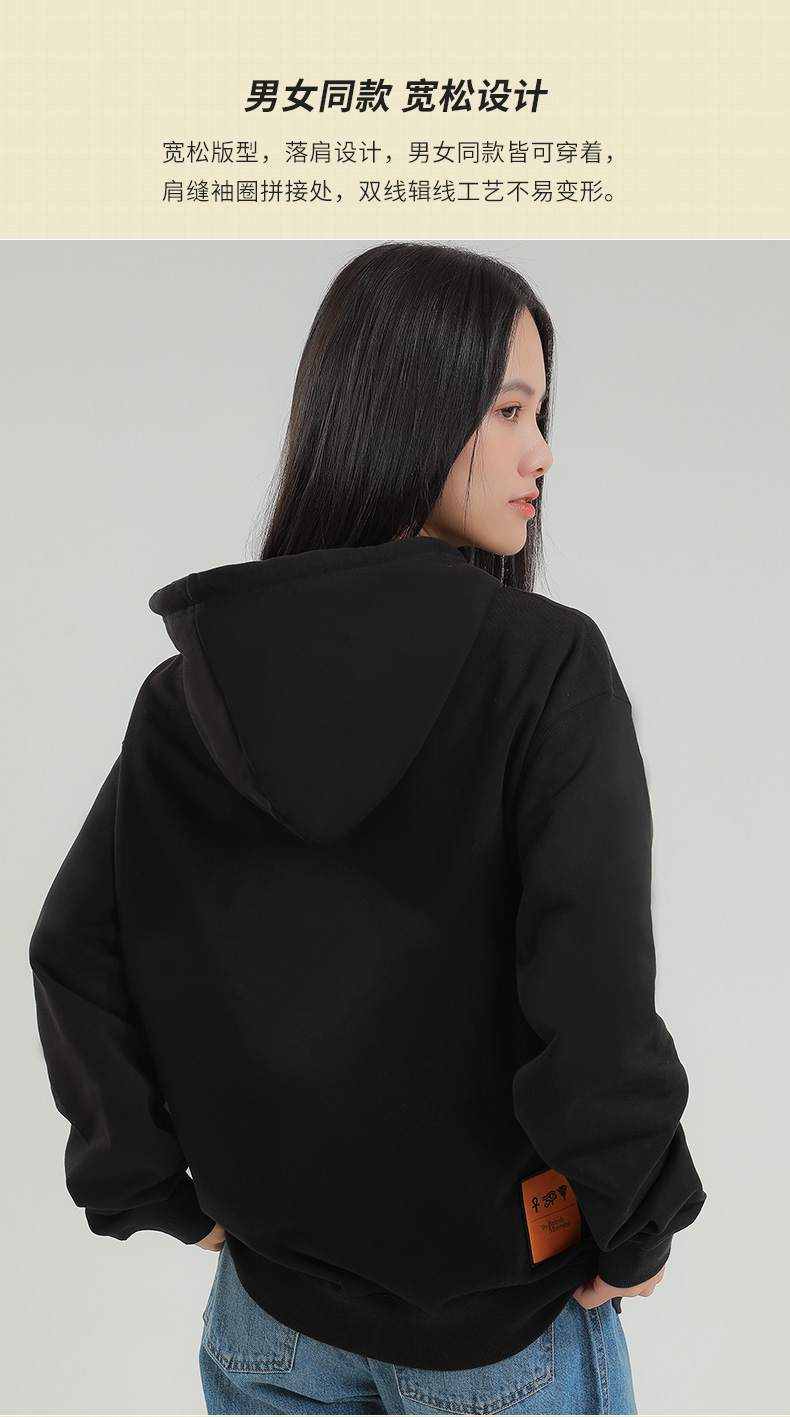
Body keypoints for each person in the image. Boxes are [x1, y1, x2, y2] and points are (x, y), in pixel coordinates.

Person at [29, 241, 706, 1416]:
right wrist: (637, 1221)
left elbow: (77, 947)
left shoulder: (192, 692)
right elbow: (592, 995)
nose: (541, 452)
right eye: (508, 410)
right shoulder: (545, 667)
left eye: (540, 414)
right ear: (411, 407)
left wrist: (149, 1184)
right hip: (495, 1333)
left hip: (268, 1324)